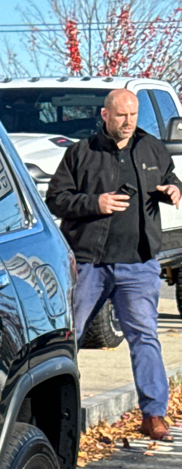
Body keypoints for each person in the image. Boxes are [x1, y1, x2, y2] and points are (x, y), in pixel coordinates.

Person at [46, 87, 181, 441]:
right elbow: (56, 199)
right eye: (121, 115)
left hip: (138, 263)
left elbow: (169, 177)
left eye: (133, 115)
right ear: (105, 115)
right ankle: (50, 413)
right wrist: (96, 203)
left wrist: (173, 189)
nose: (128, 122)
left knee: (145, 337)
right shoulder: (81, 153)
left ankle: (154, 415)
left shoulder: (152, 148)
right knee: (67, 336)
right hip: (91, 263)